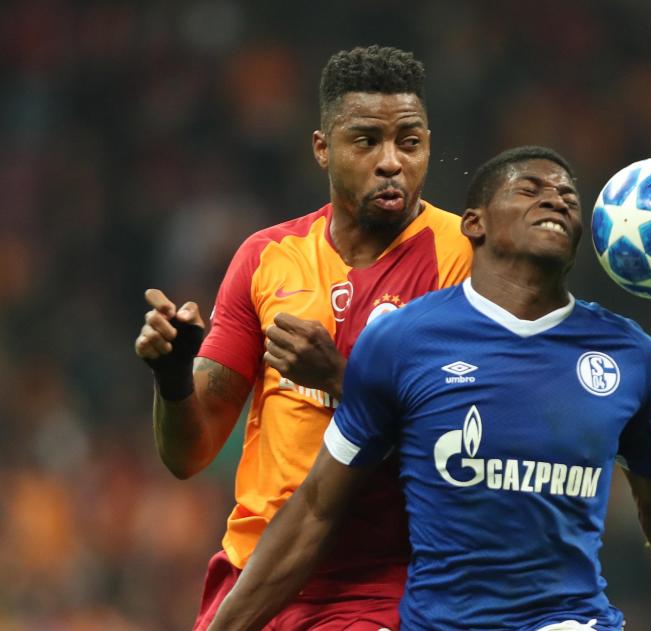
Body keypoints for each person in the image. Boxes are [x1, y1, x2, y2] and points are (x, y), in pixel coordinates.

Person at [205, 146, 651, 631]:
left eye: (568, 196)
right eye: (530, 189)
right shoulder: (402, 342)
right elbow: (317, 508)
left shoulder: (627, 355)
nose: (556, 200)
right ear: (475, 223)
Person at [133, 46, 472, 631]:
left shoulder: (463, 258)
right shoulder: (266, 259)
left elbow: (471, 440)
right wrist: (171, 378)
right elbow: (188, 455)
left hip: (381, 584)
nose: (391, 162)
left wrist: (341, 379)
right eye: (366, 141)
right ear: (323, 148)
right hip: (255, 574)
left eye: (408, 142)